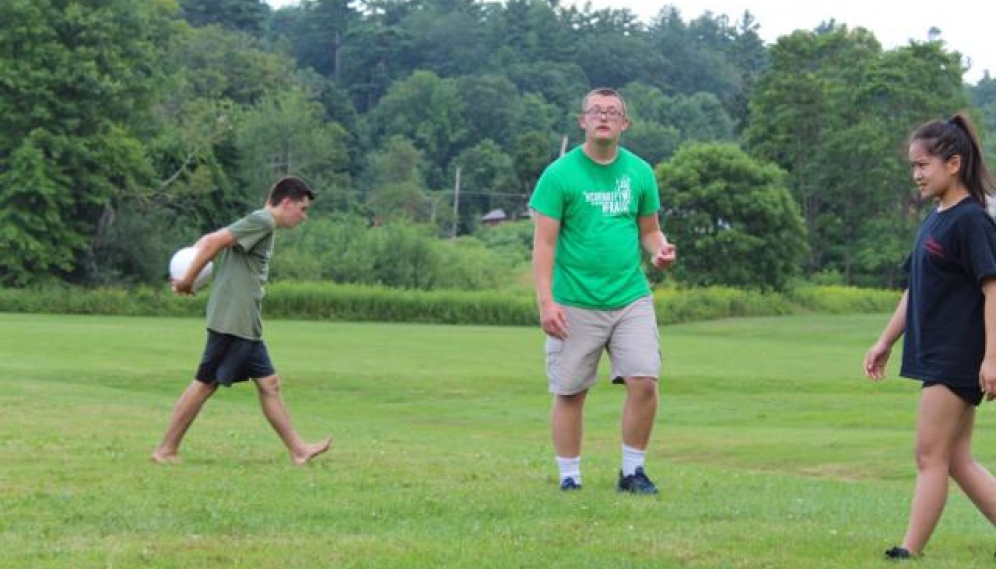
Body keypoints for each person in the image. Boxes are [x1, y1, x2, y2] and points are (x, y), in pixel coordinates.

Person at [529, 87, 677, 493]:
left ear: (624, 124)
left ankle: (632, 472)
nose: (604, 117)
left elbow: (648, 231)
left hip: (630, 296)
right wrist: (546, 302)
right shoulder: (559, 176)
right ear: (582, 121)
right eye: (596, 111)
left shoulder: (640, 173)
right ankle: (570, 477)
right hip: (574, 300)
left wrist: (660, 251)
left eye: (612, 112)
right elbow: (544, 245)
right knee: (571, 390)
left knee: (644, 380)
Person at [864, 113, 996, 559]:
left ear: (953, 164)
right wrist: (886, 340)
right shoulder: (936, 219)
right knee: (955, 458)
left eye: (923, 165)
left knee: (929, 456)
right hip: (938, 354)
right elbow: (914, 289)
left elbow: (993, 288)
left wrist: (992, 359)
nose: (916, 174)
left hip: (956, 356)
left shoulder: (971, 221)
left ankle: (910, 549)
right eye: (913, 166)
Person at [152, 176, 332, 466]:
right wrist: (187, 280)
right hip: (233, 320)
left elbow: (212, 239)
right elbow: (214, 241)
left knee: (269, 384)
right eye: (302, 208)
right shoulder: (263, 221)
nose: (303, 216)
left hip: (245, 321)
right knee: (204, 385)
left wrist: (193, 261)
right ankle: (165, 450)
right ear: (286, 202)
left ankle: (299, 450)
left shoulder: (259, 223)